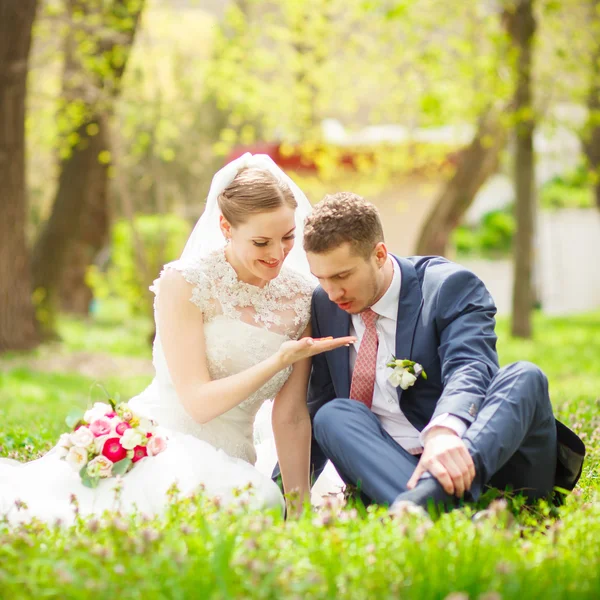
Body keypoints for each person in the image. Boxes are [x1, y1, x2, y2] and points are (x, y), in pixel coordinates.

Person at [0, 154, 354, 524]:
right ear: (225, 226)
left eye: (287, 238)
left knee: (266, 501)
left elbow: (292, 416)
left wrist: (297, 513)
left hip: (235, 454)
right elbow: (198, 403)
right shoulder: (185, 283)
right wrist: (278, 361)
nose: (278, 253)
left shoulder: (300, 298)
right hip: (163, 439)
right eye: (262, 242)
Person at [300, 192, 585, 511]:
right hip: (398, 472)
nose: (333, 291)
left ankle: (424, 504)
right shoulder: (325, 304)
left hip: (485, 461)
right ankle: (429, 507)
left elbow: (471, 366)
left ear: (379, 254)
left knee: (525, 376)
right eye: (321, 278)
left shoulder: (447, 287)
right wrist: (285, 494)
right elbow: (317, 403)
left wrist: (445, 431)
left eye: (342, 276)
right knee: (332, 415)